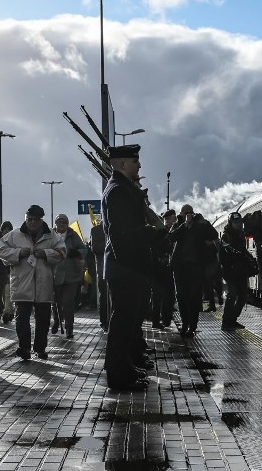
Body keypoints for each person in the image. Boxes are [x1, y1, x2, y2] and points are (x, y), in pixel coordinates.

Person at [102, 144, 166, 390]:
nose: (139, 165)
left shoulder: (123, 189)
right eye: (135, 161)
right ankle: (118, 375)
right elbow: (122, 235)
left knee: (128, 324)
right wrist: (151, 232)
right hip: (126, 268)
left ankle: (124, 367)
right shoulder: (119, 191)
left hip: (128, 268)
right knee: (122, 325)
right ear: (121, 164)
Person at [0, 205, 65, 361]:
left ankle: (40, 348)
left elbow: (62, 253)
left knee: (43, 320)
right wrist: (18, 253)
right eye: (29, 219)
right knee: (22, 319)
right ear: (26, 218)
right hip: (22, 284)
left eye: (36, 220)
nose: (32, 222)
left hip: (44, 284)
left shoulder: (51, 236)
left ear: (41, 220)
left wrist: (46, 253)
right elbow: (1, 251)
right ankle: (24, 348)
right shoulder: (14, 235)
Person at [170, 204, 218, 337]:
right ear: (181, 214)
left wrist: (204, 222)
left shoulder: (200, 225)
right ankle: (185, 324)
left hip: (195, 268)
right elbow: (171, 237)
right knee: (181, 297)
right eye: (185, 213)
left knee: (194, 298)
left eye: (190, 212)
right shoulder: (178, 225)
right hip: (180, 268)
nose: (188, 215)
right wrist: (184, 225)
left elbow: (214, 234)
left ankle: (192, 326)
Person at [219, 212, 255, 330]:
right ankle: (226, 322)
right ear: (231, 223)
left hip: (240, 271)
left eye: (239, 222)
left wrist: (250, 259)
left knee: (242, 296)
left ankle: (233, 319)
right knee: (232, 294)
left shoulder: (241, 235)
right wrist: (237, 258)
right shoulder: (226, 236)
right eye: (235, 222)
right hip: (230, 271)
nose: (238, 224)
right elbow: (224, 255)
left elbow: (243, 250)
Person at [52, 213, 86, 339]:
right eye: (59, 222)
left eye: (64, 222)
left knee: (68, 302)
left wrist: (76, 252)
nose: (61, 224)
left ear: (67, 224)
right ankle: (56, 321)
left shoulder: (73, 235)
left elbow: (84, 249)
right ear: (56, 224)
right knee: (56, 302)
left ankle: (69, 328)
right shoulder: (50, 235)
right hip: (56, 274)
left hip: (71, 275)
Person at [150, 209, 176, 329]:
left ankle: (165, 318)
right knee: (158, 295)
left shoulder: (171, 231)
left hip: (166, 268)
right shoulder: (161, 232)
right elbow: (157, 248)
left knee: (169, 295)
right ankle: (157, 320)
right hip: (159, 268)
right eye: (172, 219)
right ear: (167, 220)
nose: (174, 221)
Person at [90, 221, 108, 331]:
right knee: (104, 296)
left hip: (118, 269)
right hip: (103, 269)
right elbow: (95, 248)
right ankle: (104, 321)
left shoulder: (118, 227)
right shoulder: (96, 230)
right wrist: (109, 243)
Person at [0, 220, 15, 325]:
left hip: (9, 271)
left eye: (9, 229)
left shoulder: (14, 241)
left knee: (8, 293)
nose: (7, 231)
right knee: (2, 295)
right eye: (5, 229)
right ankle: (5, 312)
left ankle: (8, 313)